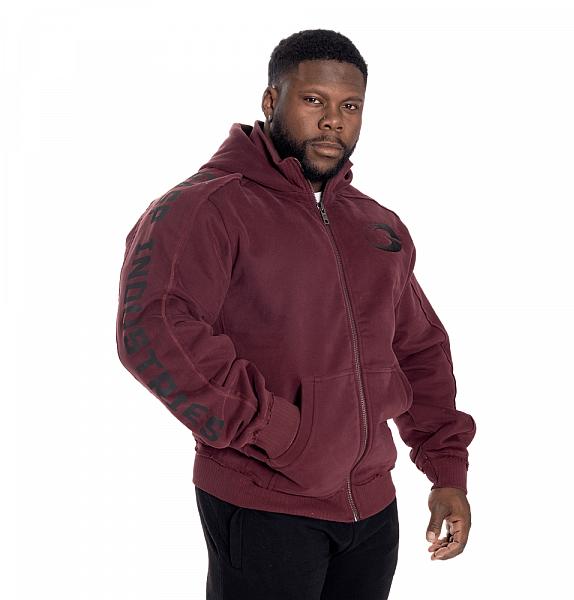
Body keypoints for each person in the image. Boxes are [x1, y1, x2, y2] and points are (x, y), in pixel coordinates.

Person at [116, 28, 476, 600]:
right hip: (266, 505)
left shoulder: (376, 223)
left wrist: (446, 469)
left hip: (372, 510)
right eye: (314, 100)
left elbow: (418, 349)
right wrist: (283, 434)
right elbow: (154, 331)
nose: (333, 121)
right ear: (270, 101)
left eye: (350, 106)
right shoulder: (204, 206)